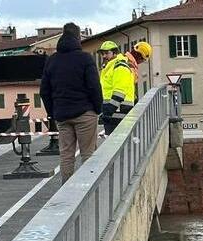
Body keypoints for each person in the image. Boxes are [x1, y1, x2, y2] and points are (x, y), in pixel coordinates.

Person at [39, 23, 102, 182]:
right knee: (88, 153)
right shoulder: (85, 58)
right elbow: (94, 86)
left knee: (66, 155)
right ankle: (88, 188)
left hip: (62, 115)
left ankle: (66, 190)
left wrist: (52, 113)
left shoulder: (52, 61)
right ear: (78, 38)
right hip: (85, 113)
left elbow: (44, 91)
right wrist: (97, 108)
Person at [99, 41, 152, 135]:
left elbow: (122, 88)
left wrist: (108, 111)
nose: (103, 56)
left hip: (117, 110)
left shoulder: (120, 64)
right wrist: (108, 111)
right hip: (118, 110)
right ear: (140, 56)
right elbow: (121, 90)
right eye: (103, 53)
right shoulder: (125, 65)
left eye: (106, 53)